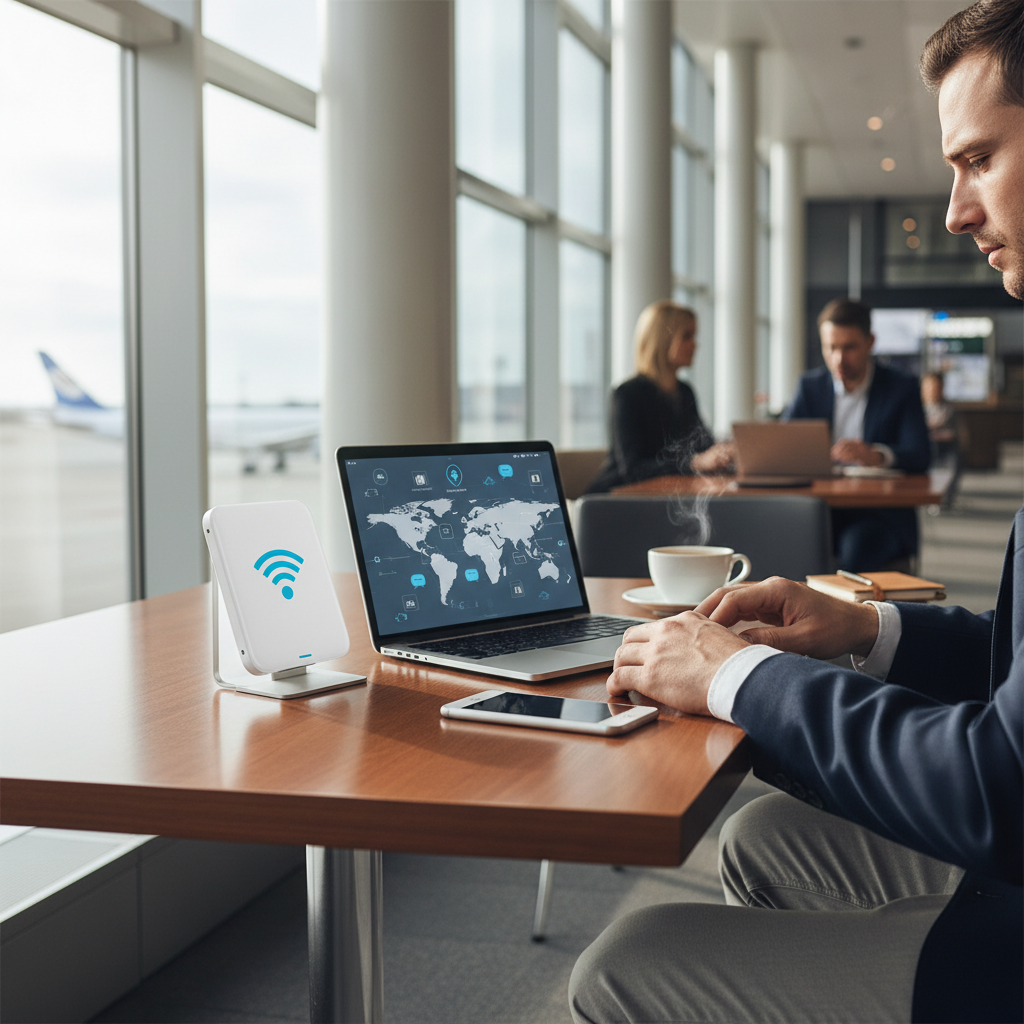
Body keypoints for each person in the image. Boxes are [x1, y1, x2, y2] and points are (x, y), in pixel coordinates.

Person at [569, 2, 1023, 1022]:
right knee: (755, 837)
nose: (954, 211)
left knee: (620, 964)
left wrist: (737, 677)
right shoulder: (801, 389)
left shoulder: (892, 392)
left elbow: (1000, 785)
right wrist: (866, 628)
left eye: (978, 158)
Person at [784, 298, 931, 571]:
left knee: (858, 546)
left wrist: (876, 455)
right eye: (831, 348)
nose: (838, 359)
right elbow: (784, 446)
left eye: (849, 347)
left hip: (879, 513)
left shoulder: (901, 387)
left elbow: (921, 454)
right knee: (781, 537)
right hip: (817, 508)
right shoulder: (810, 387)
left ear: (870, 342)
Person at [587, 301, 733, 493]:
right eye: (686, 336)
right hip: (618, 497)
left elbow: (703, 444)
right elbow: (633, 468)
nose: (694, 345)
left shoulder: (684, 391)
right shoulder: (627, 394)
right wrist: (695, 462)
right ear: (663, 340)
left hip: (666, 496)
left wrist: (725, 452)